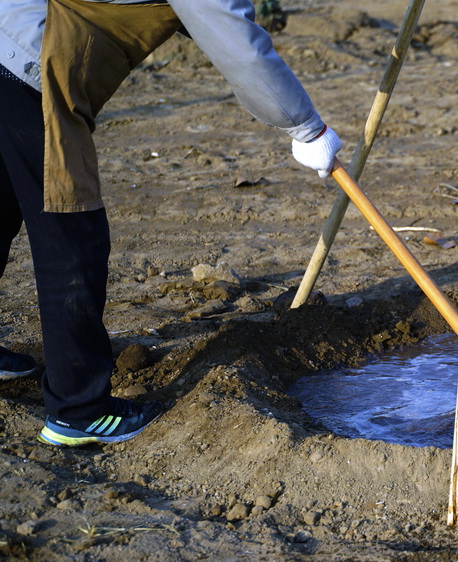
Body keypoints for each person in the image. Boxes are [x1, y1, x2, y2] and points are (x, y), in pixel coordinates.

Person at [0, 0, 341, 446]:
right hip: (32, 70)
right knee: (71, 237)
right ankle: (78, 410)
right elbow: (234, 40)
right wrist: (305, 126)